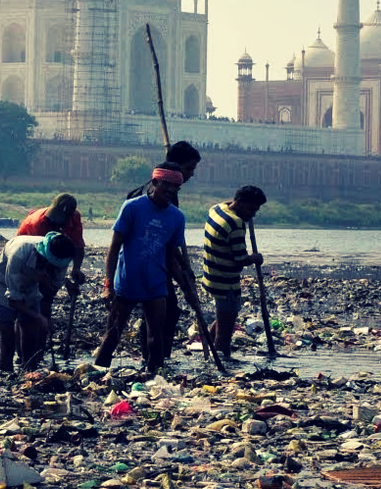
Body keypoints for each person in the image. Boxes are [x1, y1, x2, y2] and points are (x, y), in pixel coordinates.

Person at [95, 162, 194, 375]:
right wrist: (108, 285)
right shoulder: (132, 207)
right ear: (155, 182)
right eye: (165, 186)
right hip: (127, 281)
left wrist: (186, 287)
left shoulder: (177, 217)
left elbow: (171, 256)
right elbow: (113, 249)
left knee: (155, 336)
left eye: (175, 188)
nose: (169, 192)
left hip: (156, 284)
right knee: (112, 334)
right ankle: (96, 373)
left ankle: (154, 377)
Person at [125, 141, 205, 359]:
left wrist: (185, 267)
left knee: (165, 313)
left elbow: (169, 241)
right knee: (160, 314)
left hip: (156, 264)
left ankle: (157, 360)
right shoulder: (152, 196)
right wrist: (182, 270)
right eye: (189, 168)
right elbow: (161, 243)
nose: (190, 174)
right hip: (146, 267)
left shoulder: (168, 195)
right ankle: (154, 360)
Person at [0, 232, 75, 373]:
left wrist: (46, 318)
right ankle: (5, 374)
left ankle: (29, 372)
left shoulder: (62, 260)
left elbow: (49, 294)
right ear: (43, 257)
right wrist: (38, 316)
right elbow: (13, 301)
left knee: (30, 334)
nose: (51, 270)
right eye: (48, 266)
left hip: (32, 286)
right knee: (7, 336)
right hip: (3, 282)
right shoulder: (19, 254)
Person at [201, 185, 268, 359]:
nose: (253, 214)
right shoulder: (236, 225)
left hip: (211, 275)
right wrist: (255, 258)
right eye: (251, 209)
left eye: (256, 210)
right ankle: (221, 361)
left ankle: (207, 346)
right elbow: (240, 258)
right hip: (225, 281)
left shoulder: (217, 209)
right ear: (238, 202)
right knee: (225, 333)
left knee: (225, 316)